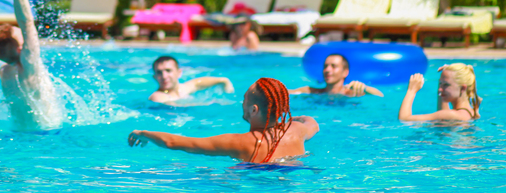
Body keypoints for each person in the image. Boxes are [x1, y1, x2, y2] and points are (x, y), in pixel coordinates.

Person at [128, 77, 319, 163]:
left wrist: (143, 133)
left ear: (253, 110)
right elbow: (313, 125)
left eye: (244, 99)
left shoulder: (239, 142)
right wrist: (297, 118)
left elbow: (174, 142)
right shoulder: (296, 130)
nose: (242, 103)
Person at [0, 0, 62, 130]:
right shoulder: (29, 65)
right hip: (47, 133)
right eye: (21, 35)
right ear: (20, 48)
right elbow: (27, 21)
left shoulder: (5, 72)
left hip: (20, 133)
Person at [398, 63, 481, 122]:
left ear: (462, 88)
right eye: (440, 84)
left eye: (446, 85)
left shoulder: (452, 115)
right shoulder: (471, 111)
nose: (440, 89)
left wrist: (411, 90)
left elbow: (404, 119)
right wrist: (446, 75)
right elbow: (443, 116)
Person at [148, 55, 234, 104]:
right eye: (159, 72)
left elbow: (197, 83)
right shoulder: (157, 96)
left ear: (179, 73)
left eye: (168, 71)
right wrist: (212, 102)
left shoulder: (184, 88)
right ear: (154, 77)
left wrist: (224, 81)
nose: (164, 76)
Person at [289, 53, 383, 97]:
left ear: (345, 72)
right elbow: (288, 93)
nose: (327, 70)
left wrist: (364, 88)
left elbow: (379, 95)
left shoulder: (351, 93)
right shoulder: (312, 91)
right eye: (325, 66)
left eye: (333, 66)